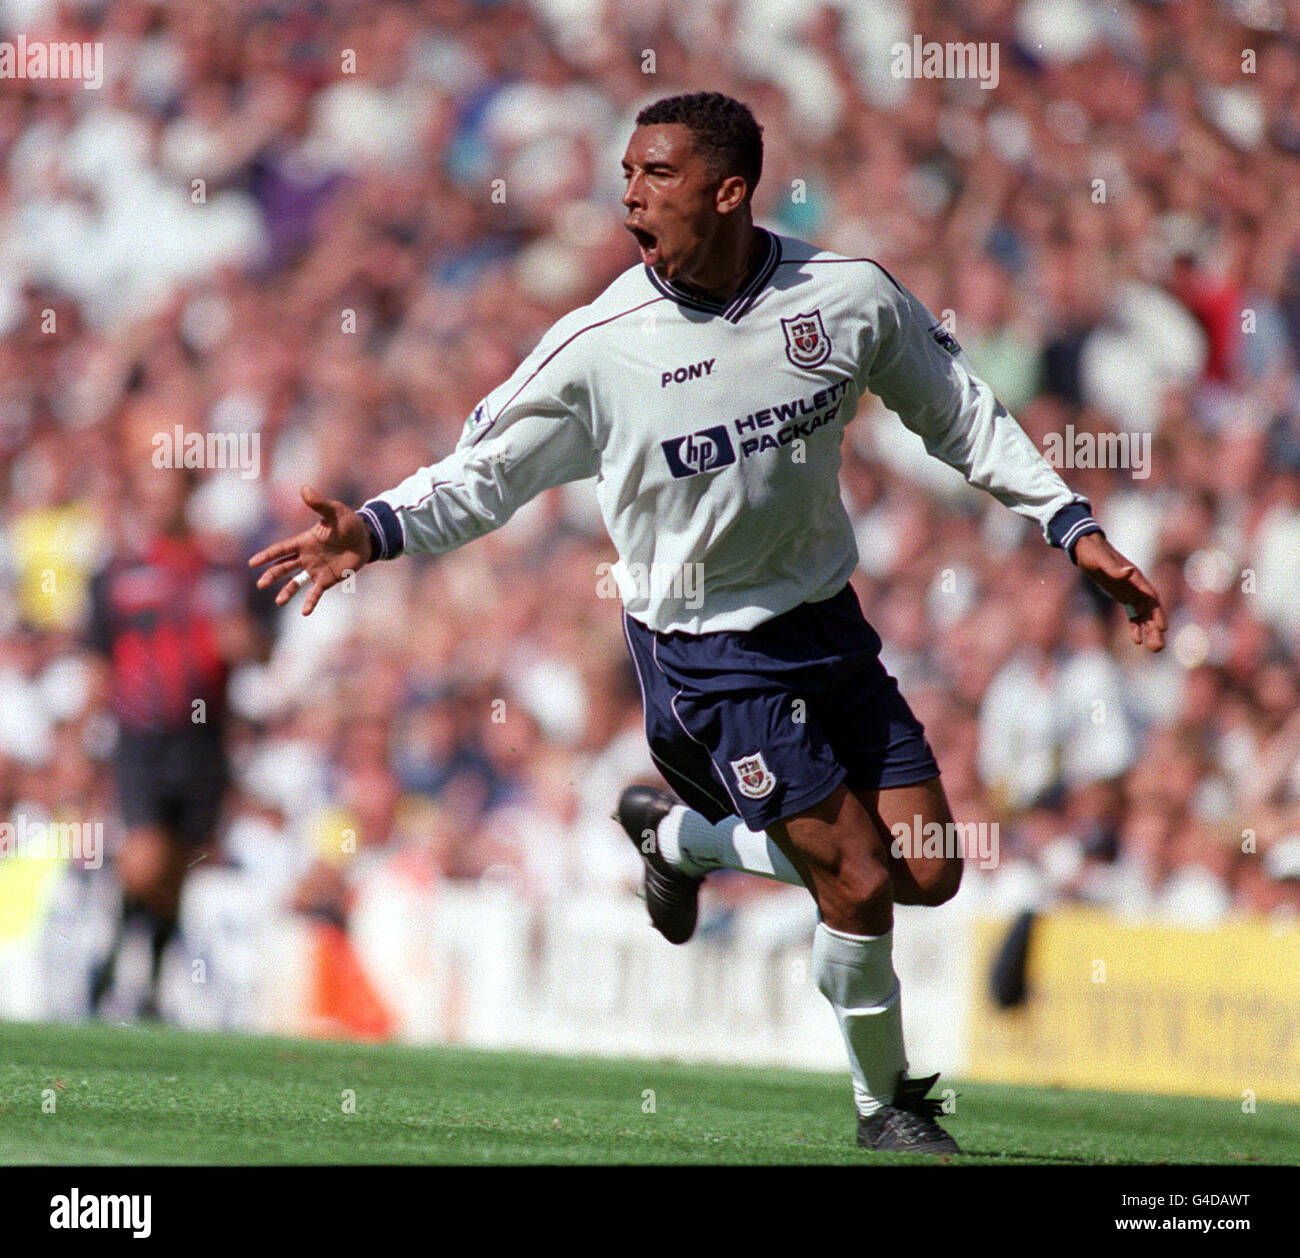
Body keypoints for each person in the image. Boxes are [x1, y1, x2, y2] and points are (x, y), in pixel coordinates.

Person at [250, 92, 1166, 1154]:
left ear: (729, 192)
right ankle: (888, 1109)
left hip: (827, 624)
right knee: (859, 874)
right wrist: (370, 527)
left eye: (657, 175)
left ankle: (679, 837)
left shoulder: (846, 297)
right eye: (627, 173)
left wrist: (1067, 523)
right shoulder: (600, 346)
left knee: (927, 868)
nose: (629, 194)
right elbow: (485, 474)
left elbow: (957, 409)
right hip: (705, 650)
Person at [87, 463, 272, 1019]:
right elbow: (99, 660)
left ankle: (146, 984)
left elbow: (259, 650)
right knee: (144, 858)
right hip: (143, 736)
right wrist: (89, 740)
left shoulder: (222, 572)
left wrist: (246, 643)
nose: (155, 506)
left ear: (190, 499)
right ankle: (115, 955)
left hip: (204, 740)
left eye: (165, 494)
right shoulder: (118, 574)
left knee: (177, 868)